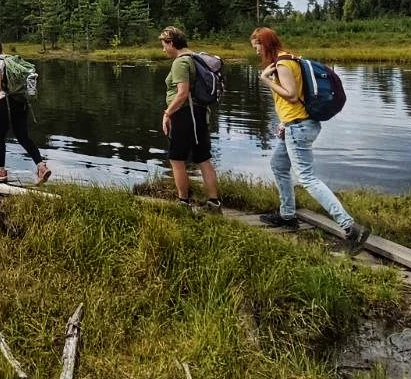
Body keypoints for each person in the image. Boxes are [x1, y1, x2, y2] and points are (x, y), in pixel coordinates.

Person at [250, 27, 370, 248]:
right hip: (294, 126)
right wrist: (284, 123)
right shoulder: (285, 60)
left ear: (265, 43)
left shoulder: (283, 63)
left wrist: (266, 80)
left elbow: (292, 96)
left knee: (307, 178)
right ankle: (287, 216)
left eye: (257, 45)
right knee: (278, 164)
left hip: (299, 128)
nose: (256, 51)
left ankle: (351, 227)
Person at [158, 26, 221, 213]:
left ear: (171, 43)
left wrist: (167, 113)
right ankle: (214, 203)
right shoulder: (195, 57)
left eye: (164, 45)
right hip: (200, 114)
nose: (163, 50)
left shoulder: (180, 62)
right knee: (203, 158)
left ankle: (183, 203)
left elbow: (182, 94)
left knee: (177, 159)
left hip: (185, 115)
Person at [0, 37, 51, 184]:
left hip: (5, 103)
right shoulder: (12, 60)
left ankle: (0, 172)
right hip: (21, 102)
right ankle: (41, 166)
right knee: (23, 136)